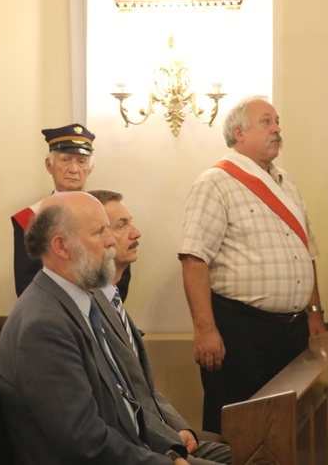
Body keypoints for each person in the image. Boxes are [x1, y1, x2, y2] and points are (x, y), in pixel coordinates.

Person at [0, 191, 189, 464]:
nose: (111, 241)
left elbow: (126, 407)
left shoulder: (78, 302)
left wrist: (169, 450)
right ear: (62, 246)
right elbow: (83, 440)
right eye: (99, 232)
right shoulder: (44, 323)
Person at [177, 95, 327, 434]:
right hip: (241, 330)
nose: (277, 129)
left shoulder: (287, 183)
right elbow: (194, 258)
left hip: (293, 330)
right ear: (238, 133)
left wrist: (315, 312)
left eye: (277, 122)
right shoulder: (214, 183)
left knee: (287, 428)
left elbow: (309, 253)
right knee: (238, 428)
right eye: (266, 122)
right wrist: (204, 329)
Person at [89, 190, 231, 465]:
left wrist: (184, 429)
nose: (136, 232)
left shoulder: (113, 297)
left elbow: (147, 390)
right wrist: (170, 442)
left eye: (131, 222)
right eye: (122, 225)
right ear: (99, 237)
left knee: (266, 453)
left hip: (165, 436)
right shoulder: (90, 308)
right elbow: (117, 402)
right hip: (143, 447)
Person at [11, 124, 132, 299]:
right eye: (66, 160)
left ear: (90, 168)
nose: (74, 169)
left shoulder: (107, 212)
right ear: (49, 165)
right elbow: (26, 283)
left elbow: (120, 267)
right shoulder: (29, 218)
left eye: (82, 161)